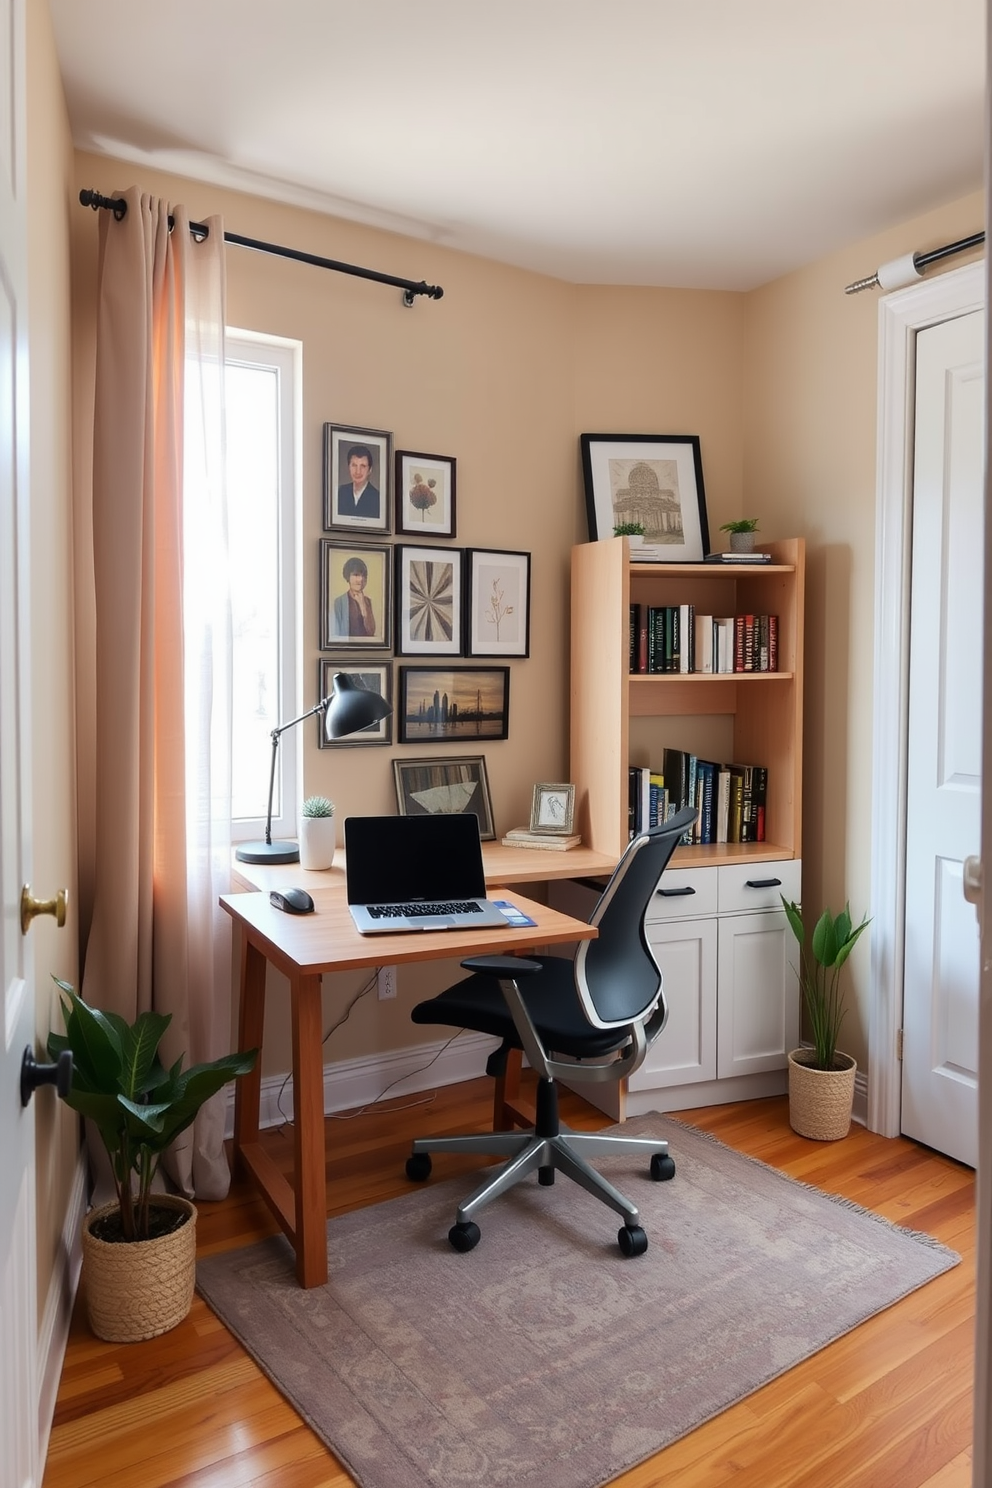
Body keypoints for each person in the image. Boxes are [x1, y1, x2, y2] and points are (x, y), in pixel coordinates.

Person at [333, 556, 377, 639]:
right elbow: (336, 633)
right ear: (348, 577)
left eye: (363, 576)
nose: (360, 579)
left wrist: (362, 605)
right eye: (356, 575)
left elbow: (371, 631)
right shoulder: (339, 602)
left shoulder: (367, 601)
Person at [337, 444, 381, 521]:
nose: (358, 471)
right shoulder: (340, 492)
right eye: (354, 465)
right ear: (349, 467)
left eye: (363, 466)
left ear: (370, 470)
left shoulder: (378, 499)